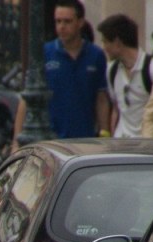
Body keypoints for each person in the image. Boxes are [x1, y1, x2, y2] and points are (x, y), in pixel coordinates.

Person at [41, 0, 111, 139]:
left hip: (85, 137)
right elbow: (28, 98)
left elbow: (101, 98)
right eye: (58, 21)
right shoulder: (45, 52)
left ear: (80, 22)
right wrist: (15, 141)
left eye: (67, 21)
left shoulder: (96, 55)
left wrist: (105, 133)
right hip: (51, 137)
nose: (61, 27)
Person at [97, 14, 153, 138]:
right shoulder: (111, 70)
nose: (104, 48)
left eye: (106, 42)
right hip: (121, 145)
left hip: (146, 144)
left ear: (117, 42)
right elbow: (117, 109)